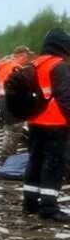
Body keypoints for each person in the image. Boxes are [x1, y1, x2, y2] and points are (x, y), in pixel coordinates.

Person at [23, 28, 70, 222]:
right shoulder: (59, 66)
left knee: (35, 161)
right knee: (53, 164)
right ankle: (49, 208)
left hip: (35, 122)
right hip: (56, 123)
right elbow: (66, 98)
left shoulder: (34, 64)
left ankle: (30, 202)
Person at [0, 46, 34, 160]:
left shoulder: (5, 65)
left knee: (9, 129)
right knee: (14, 131)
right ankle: (7, 159)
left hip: (4, 99)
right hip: (12, 101)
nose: (28, 58)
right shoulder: (15, 68)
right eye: (27, 56)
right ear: (22, 55)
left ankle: (7, 157)